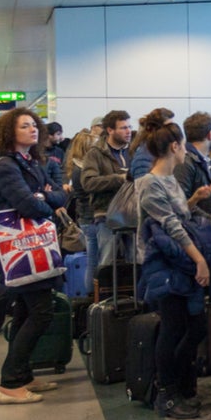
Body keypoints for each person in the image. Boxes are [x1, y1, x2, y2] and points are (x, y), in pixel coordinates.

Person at [0, 108, 66, 404]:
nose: (32, 130)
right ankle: (8, 383)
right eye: (24, 126)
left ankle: (21, 375)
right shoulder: (6, 164)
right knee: (41, 312)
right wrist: (44, 198)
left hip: (33, 247)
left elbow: (60, 194)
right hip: (21, 249)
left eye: (34, 125)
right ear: (9, 132)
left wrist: (44, 196)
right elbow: (29, 206)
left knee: (25, 312)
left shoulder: (32, 161)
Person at [137, 120, 211, 420]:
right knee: (172, 329)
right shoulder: (150, 183)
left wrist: (195, 201)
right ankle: (166, 394)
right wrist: (200, 260)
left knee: (191, 327)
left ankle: (180, 386)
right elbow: (170, 226)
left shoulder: (170, 181)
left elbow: (179, 215)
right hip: (164, 266)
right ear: (174, 146)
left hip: (179, 264)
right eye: (183, 145)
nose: (186, 151)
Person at [78, 109, 133, 291]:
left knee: (135, 261)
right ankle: (100, 304)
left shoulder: (133, 152)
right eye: (123, 127)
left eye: (129, 127)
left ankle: (132, 301)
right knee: (106, 263)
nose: (128, 131)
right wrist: (119, 179)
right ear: (110, 130)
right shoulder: (95, 153)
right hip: (106, 214)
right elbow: (88, 182)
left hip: (133, 215)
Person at [130, 108, 176, 180]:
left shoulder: (162, 150)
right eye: (168, 128)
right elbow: (143, 187)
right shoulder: (143, 156)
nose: (173, 130)